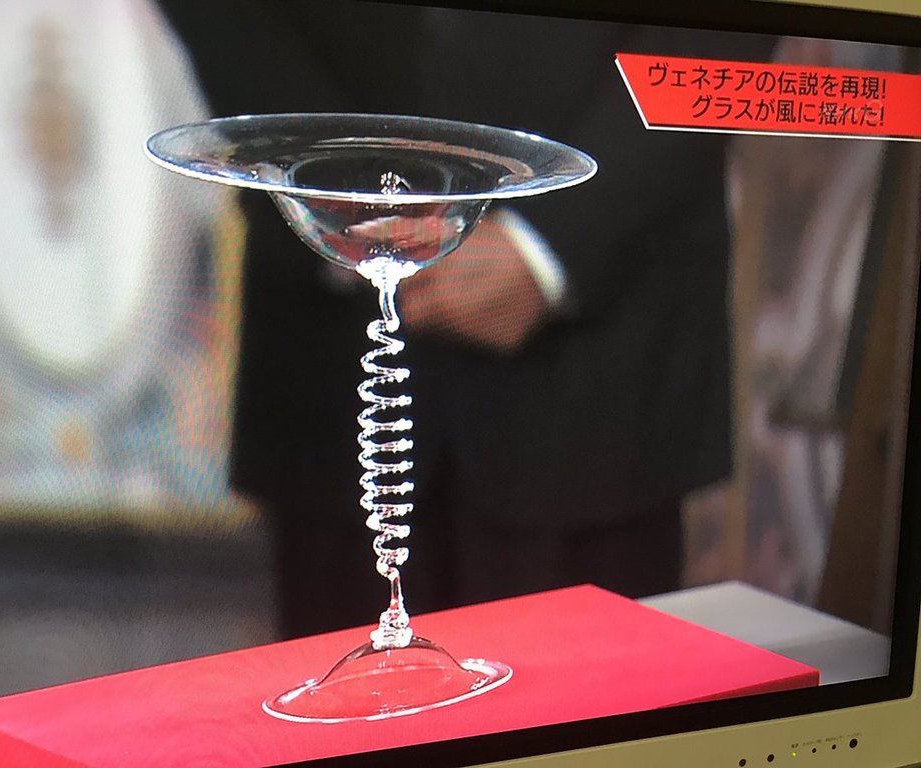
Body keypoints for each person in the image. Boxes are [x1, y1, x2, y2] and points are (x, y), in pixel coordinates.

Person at [158, 0, 749, 638]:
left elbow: (721, 40)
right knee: (346, 683)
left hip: (600, 356)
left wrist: (551, 245)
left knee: (589, 690)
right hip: (327, 348)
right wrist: (337, 182)